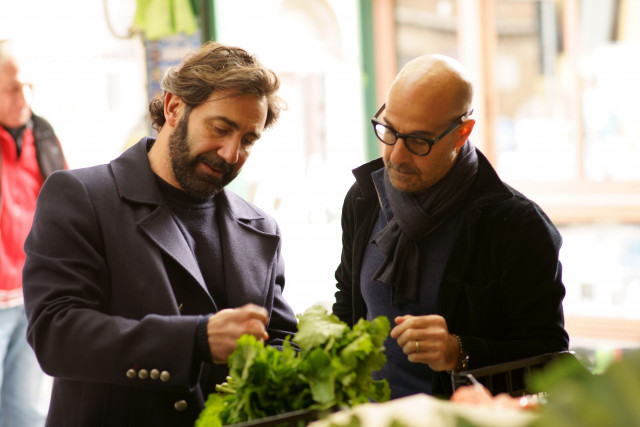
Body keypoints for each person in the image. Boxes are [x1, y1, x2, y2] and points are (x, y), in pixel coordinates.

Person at [22, 41, 298, 427]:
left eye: (248, 140)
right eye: (221, 128)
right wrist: (196, 340)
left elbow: (284, 341)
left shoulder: (260, 228)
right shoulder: (81, 197)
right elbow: (56, 335)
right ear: (173, 107)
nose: (231, 153)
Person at [332, 54, 569, 399]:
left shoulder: (516, 226)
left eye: (418, 140)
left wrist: (459, 352)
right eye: (390, 131)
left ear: (462, 133)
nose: (396, 156)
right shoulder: (364, 198)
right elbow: (348, 303)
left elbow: (551, 361)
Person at [0, 39, 66, 427]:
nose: (22, 96)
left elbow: (65, 211)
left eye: (27, 86)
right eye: (11, 88)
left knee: (24, 411)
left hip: (32, 296)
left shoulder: (44, 137)